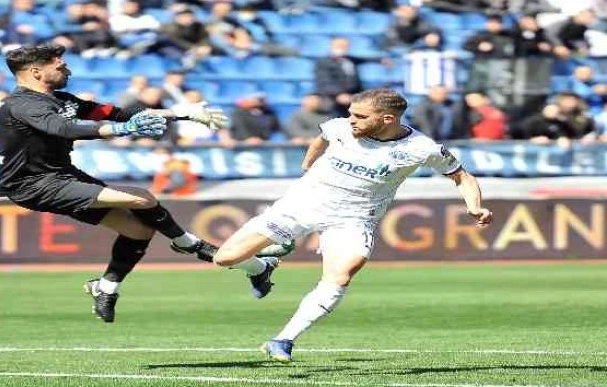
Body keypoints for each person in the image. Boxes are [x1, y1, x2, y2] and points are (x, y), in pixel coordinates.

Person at [211, 89, 493, 362]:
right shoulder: (339, 128)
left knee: (341, 275)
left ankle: (283, 339)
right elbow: (320, 140)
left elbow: (462, 177)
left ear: (387, 120)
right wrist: (308, 165)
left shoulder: (421, 148)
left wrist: (474, 206)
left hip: (353, 218)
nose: (351, 121)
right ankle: (262, 269)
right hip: (300, 205)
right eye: (350, 114)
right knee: (224, 258)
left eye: (359, 116)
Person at [0, 44, 232, 324]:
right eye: (59, 66)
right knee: (142, 198)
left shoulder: (63, 100)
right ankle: (189, 244)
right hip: (32, 183)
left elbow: (116, 113)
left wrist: (181, 113)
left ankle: (105, 288)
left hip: (62, 175)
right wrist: (122, 131)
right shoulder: (20, 104)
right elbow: (63, 128)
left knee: (139, 231)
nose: (66, 68)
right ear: (35, 71)